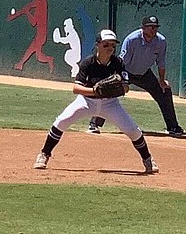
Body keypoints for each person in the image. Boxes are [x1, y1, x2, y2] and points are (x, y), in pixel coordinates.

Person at [33, 29, 159, 174]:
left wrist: (117, 89)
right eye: (106, 45)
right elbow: (76, 88)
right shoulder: (88, 63)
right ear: (98, 45)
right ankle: (44, 154)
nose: (110, 48)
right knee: (61, 121)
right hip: (86, 102)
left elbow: (125, 88)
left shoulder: (118, 63)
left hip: (110, 104)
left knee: (132, 130)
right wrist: (94, 91)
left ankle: (148, 159)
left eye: (112, 45)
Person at [87, 16, 186, 137]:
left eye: (155, 27)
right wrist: (120, 79)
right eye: (150, 27)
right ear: (143, 28)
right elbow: (122, 62)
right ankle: (94, 124)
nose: (153, 30)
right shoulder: (132, 39)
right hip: (127, 71)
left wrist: (162, 81)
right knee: (109, 91)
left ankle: (173, 127)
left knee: (164, 92)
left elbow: (161, 62)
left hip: (144, 73)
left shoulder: (161, 41)